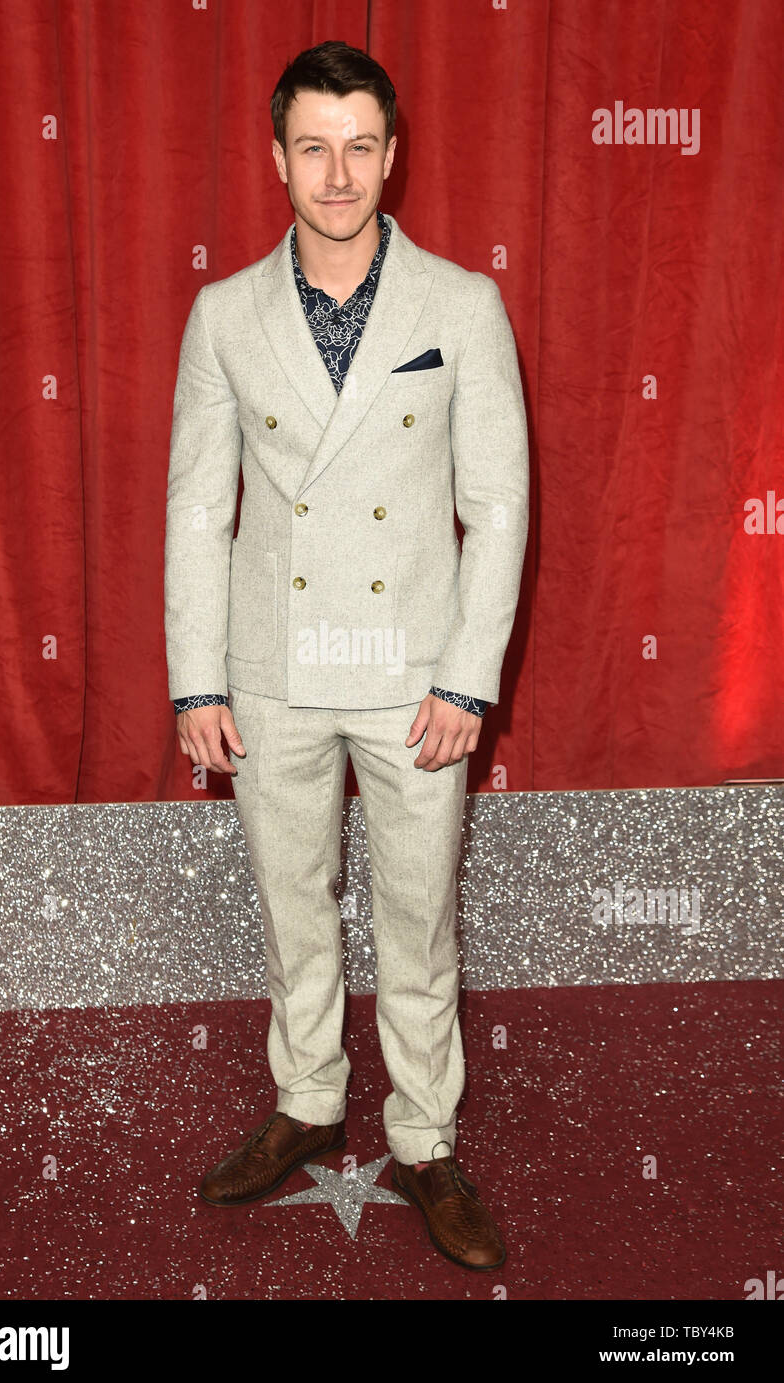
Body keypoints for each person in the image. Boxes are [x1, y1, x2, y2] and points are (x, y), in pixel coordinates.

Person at [164, 39, 528, 1272]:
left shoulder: (462, 305)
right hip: (272, 667)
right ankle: (307, 1100)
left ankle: (422, 1138)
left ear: (391, 154)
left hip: (413, 671)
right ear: (277, 157)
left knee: (419, 920)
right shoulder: (222, 314)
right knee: (292, 908)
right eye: (311, 146)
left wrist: (467, 676)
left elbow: (499, 503)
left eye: (358, 145)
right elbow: (195, 509)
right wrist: (197, 677)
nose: (336, 172)